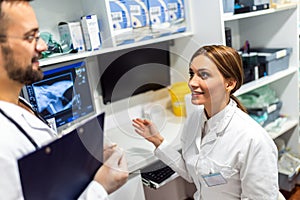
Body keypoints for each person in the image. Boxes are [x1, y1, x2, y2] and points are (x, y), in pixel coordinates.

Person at [0, 0, 128, 199]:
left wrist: (83, 158)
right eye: (30, 37)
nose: (43, 46)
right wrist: (100, 188)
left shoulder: (20, 104)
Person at [132, 45, 279, 199]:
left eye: (203, 75)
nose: (192, 83)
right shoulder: (194, 119)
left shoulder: (253, 140)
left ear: (229, 84)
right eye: (191, 74)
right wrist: (158, 141)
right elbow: (193, 173)